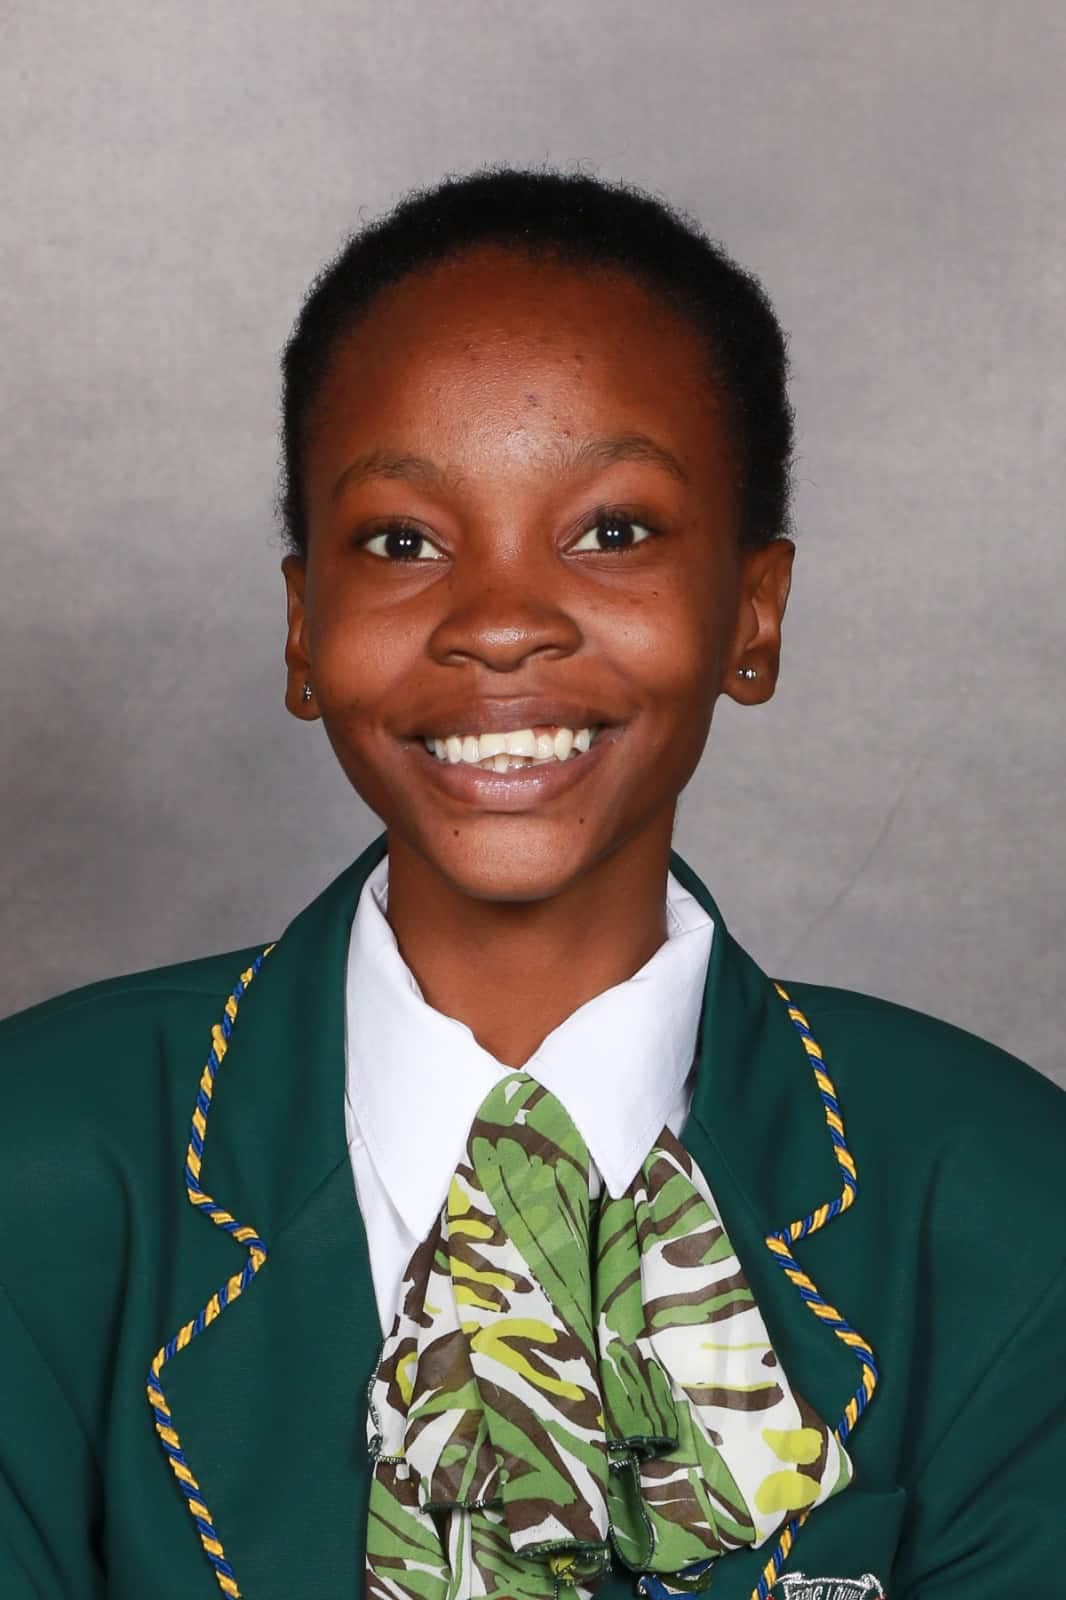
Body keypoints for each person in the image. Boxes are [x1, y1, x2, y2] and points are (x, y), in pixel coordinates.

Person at [1, 168, 1063, 1600]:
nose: (499, 623)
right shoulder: (39, 1164)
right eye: (402, 541)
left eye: (612, 531)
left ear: (752, 613)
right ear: (304, 628)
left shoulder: (1002, 1199)